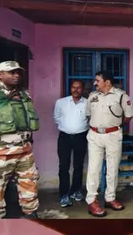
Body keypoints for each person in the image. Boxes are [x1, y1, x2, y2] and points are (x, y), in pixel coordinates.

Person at [0, 61, 40, 219]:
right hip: (0, 154)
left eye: (18, 72)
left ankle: (31, 222)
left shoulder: (24, 94)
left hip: (24, 151)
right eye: (11, 72)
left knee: (30, 190)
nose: (16, 75)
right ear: (0, 74)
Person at [85, 70, 133, 217]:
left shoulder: (121, 96)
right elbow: (88, 114)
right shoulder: (92, 97)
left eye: (97, 80)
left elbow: (128, 116)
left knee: (112, 168)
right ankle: (91, 200)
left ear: (107, 82)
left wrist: (113, 126)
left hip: (113, 135)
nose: (94, 83)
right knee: (94, 169)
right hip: (94, 135)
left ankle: (110, 197)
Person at [53, 80, 89, 208]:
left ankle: (75, 191)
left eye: (79, 88)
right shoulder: (61, 102)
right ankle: (64, 194)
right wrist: (68, 127)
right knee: (63, 167)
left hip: (81, 137)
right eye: (73, 87)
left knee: (78, 166)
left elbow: (89, 119)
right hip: (64, 138)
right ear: (70, 88)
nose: (76, 90)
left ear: (83, 89)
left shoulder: (87, 103)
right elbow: (56, 118)